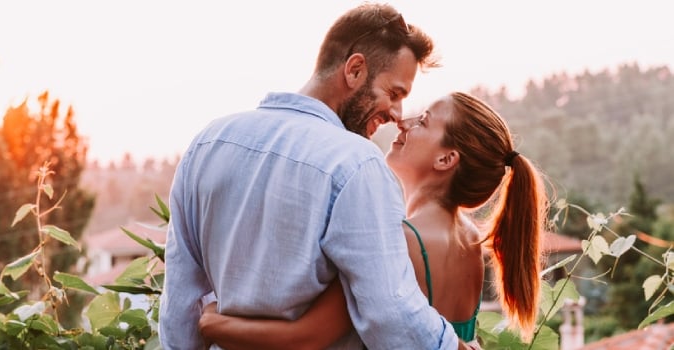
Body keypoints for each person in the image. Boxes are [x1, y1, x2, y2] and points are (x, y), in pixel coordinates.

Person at [160, 3, 473, 349]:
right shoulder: (356, 165)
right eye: (394, 93)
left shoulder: (208, 143)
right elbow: (390, 314)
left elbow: (180, 308)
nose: (397, 115)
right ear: (355, 70)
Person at [197, 91, 550, 348]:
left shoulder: (400, 240)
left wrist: (213, 322)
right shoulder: (469, 240)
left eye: (423, 121)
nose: (403, 122)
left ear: (446, 160)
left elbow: (304, 339)